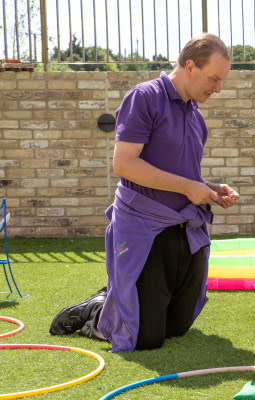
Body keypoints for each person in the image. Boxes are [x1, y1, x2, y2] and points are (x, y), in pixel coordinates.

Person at [49, 33, 239, 352]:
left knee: (178, 327)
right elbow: (124, 164)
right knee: (145, 339)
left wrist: (209, 189)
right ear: (190, 66)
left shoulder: (196, 117)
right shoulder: (145, 97)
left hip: (184, 227)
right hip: (144, 227)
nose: (218, 88)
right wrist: (187, 186)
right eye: (214, 78)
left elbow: (183, 175)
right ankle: (98, 308)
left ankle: (120, 296)